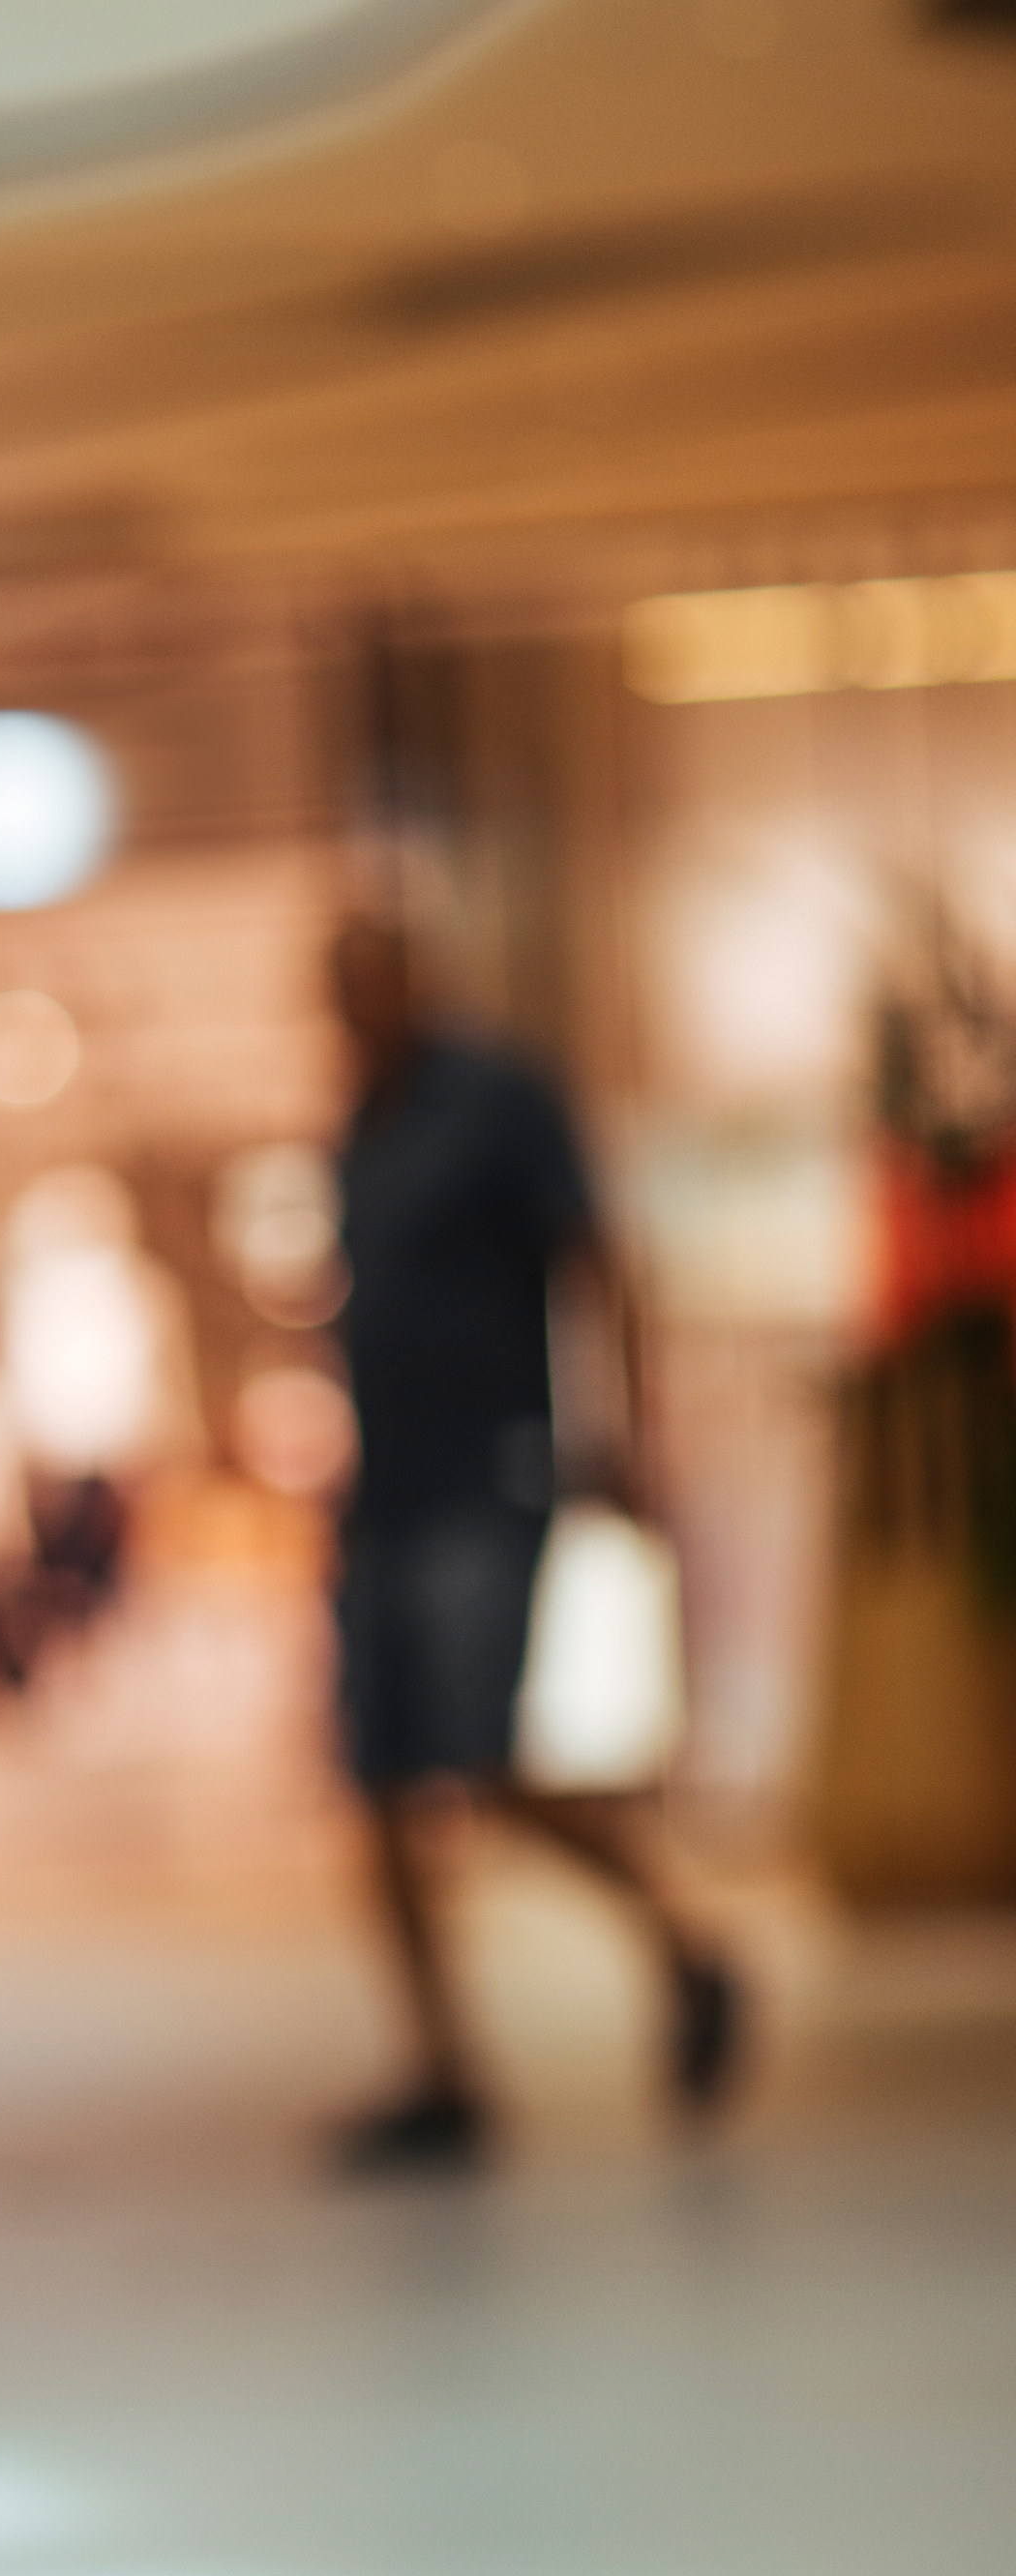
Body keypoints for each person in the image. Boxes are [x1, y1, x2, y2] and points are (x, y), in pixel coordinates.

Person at [323, 912, 743, 2171]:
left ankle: (687, 1945)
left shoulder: (501, 1101)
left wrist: (622, 1424)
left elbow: (597, 1259)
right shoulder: (363, 1127)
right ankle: (446, 2068)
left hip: (484, 1480)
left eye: (377, 977)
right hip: (382, 1497)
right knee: (378, 1784)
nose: (361, 1003)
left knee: (485, 1767)